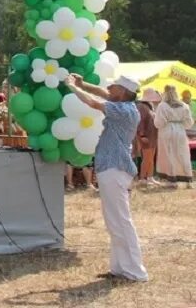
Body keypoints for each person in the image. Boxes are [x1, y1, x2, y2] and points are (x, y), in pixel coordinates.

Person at [65, 74, 147, 283]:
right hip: (111, 168)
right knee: (114, 221)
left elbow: (93, 102)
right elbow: (103, 93)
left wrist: (73, 87)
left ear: (124, 92)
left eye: (115, 85)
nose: (110, 87)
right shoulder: (124, 104)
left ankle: (136, 271)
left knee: (121, 220)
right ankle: (120, 268)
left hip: (115, 168)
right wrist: (83, 84)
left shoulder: (125, 110)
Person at [154, 85, 194, 188]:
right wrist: (179, 124)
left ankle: (172, 179)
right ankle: (187, 178)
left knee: (169, 154)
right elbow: (189, 123)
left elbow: (159, 123)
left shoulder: (162, 106)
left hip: (166, 131)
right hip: (180, 131)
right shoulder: (184, 105)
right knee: (182, 153)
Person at [134, 88, 160, 188]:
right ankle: (142, 178)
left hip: (152, 135)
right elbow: (139, 122)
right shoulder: (141, 106)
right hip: (146, 136)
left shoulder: (149, 106)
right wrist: (142, 135)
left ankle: (150, 177)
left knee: (151, 157)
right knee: (147, 157)